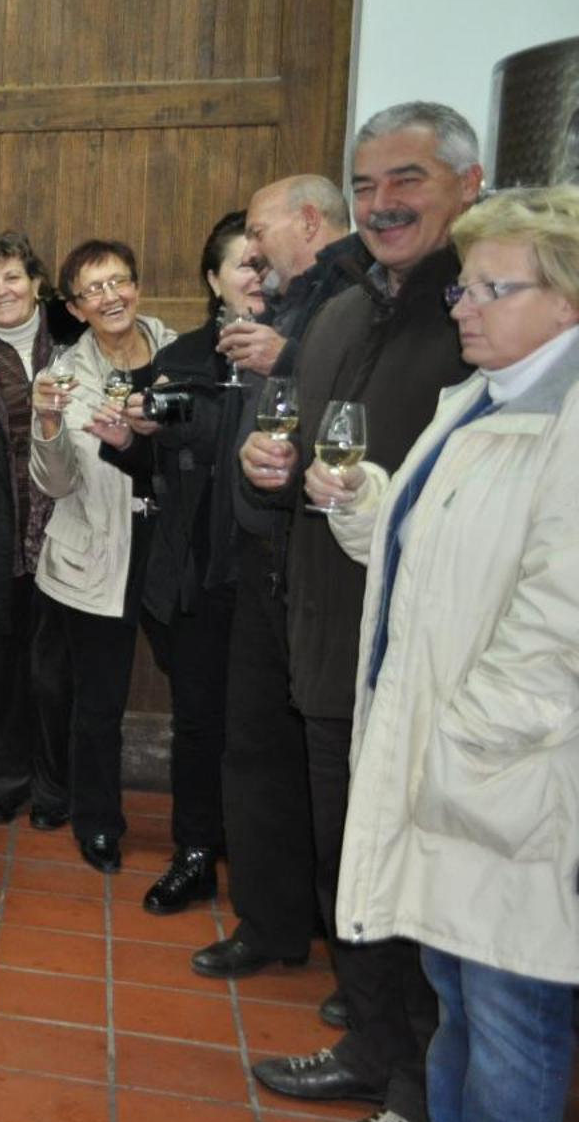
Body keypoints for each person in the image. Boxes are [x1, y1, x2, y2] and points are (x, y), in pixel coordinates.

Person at [304, 186, 578, 1122]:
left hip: (518, 784)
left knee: (513, 1022)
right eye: (462, 287)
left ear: (566, 299)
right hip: (453, 760)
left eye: (487, 289)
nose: (459, 305)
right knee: (460, 1001)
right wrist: (364, 497)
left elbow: (561, 625)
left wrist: (464, 742)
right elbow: (428, 556)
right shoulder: (477, 400)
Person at [239, 102, 483, 1122]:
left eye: (407, 181)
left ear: (464, 186)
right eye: (367, 183)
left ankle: (422, 1099)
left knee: (419, 875)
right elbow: (279, 429)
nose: (381, 204)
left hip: (430, 650)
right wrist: (265, 460)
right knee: (350, 851)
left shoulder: (481, 314)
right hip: (328, 631)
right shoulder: (338, 311)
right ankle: (369, 1048)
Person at [194, 174, 362, 986]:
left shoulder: (359, 302)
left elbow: (358, 412)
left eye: (259, 231)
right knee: (255, 746)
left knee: (328, 760)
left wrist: (286, 359)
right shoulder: (286, 305)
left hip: (323, 565)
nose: (251, 250)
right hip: (259, 558)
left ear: (306, 219)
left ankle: (357, 965)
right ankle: (269, 923)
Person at [105, 212, 264, 913]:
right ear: (214, 279)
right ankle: (195, 851)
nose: (257, 278)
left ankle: (266, 866)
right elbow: (154, 467)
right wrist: (128, 440)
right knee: (197, 719)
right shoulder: (187, 358)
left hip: (271, 572)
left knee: (267, 728)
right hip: (195, 573)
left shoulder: (307, 351)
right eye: (242, 265)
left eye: (267, 265)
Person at [28, 240, 175, 874]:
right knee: (97, 702)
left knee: (199, 696)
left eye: (120, 281)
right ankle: (97, 824)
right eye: (94, 289)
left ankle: (205, 826)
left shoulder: (180, 355)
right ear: (75, 306)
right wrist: (50, 425)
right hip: (96, 552)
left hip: (173, 550)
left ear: (137, 287)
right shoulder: (62, 375)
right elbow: (55, 484)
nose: (111, 296)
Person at [0, 233, 83, 828]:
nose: (1, 290)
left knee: (58, 676)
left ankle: (56, 789)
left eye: (12, 277)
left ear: (36, 283)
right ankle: (5, 782)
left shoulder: (76, 342)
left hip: (70, 530)